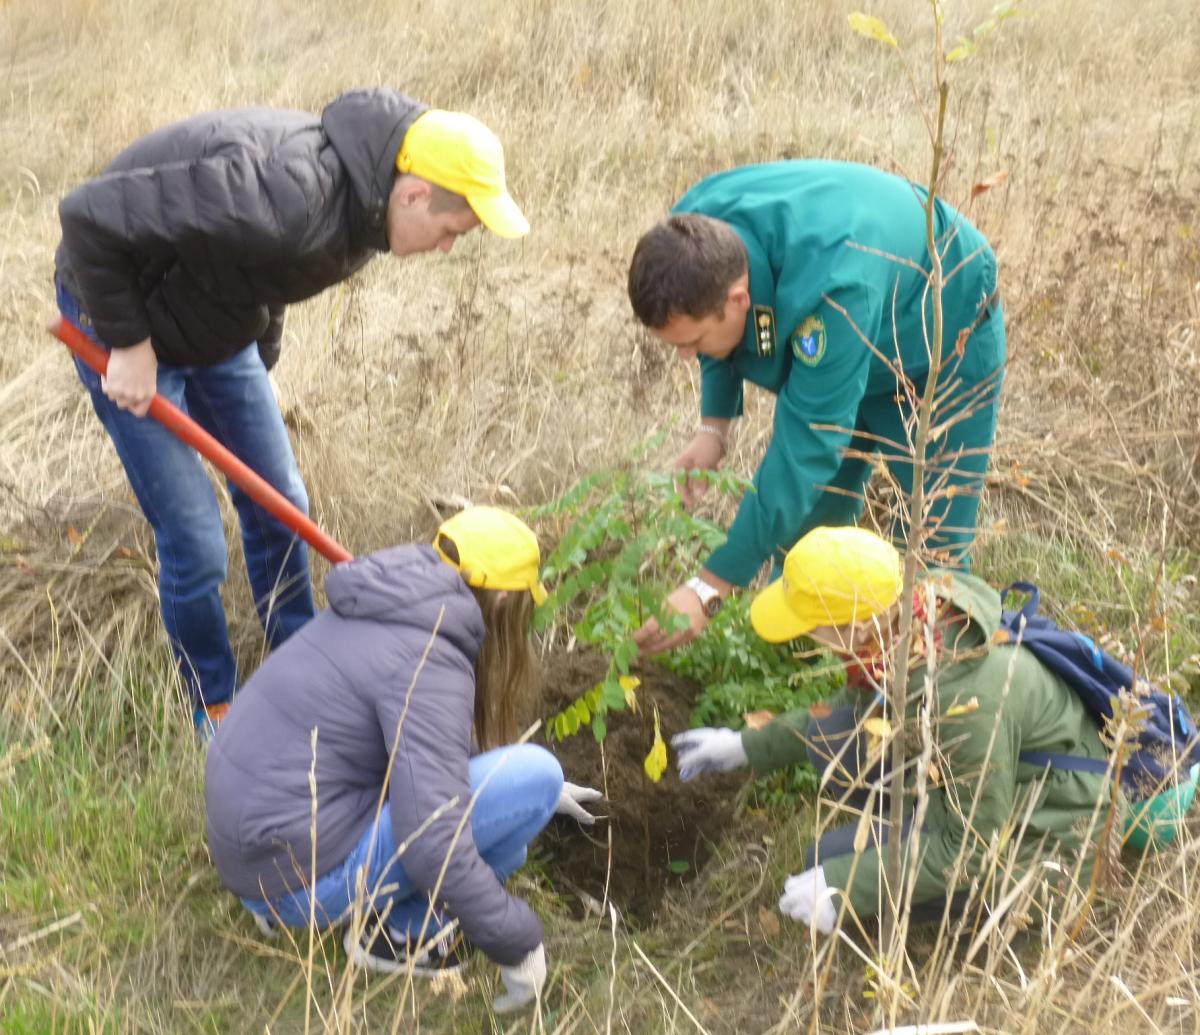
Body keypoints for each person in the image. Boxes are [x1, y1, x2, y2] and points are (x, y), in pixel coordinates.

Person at [54, 89, 529, 735]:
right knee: (194, 538)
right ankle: (212, 702)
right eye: (449, 232)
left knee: (283, 503)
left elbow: (274, 268)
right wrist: (131, 345)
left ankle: (300, 662)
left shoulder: (364, 216)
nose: (447, 249)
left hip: (215, 328)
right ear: (414, 194)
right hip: (119, 321)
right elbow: (88, 215)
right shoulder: (280, 189)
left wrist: (264, 363)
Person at [204, 506, 601, 1013]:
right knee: (535, 776)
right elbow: (432, 838)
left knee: (516, 828)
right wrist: (517, 941)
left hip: (258, 854)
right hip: (292, 881)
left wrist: (530, 794)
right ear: (503, 599)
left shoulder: (386, 607)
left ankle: (345, 910)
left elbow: (422, 744)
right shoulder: (430, 656)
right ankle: (398, 935)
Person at [627, 161, 1006, 656]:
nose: (684, 357)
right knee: (807, 542)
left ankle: (920, 690)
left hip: (940, 338)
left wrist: (709, 586)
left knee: (930, 547)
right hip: (861, 318)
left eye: (691, 343)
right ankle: (798, 671)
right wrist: (713, 428)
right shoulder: (692, 237)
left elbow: (804, 454)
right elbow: (715, 334)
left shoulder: (831, 291)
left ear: (740, 298)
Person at [671, 526, 1111, 933]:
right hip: (986, 781)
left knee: (827, 862)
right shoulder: (908, 619)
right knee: (834, 740)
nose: (805, 639)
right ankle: (915, 825)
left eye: (809, 627)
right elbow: (856, 714)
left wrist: (845, 884)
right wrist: (746, 746)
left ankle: (1001, 911)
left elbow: (976, 847)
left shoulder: (966, 700)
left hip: (1050, 830)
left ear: (858, 627)